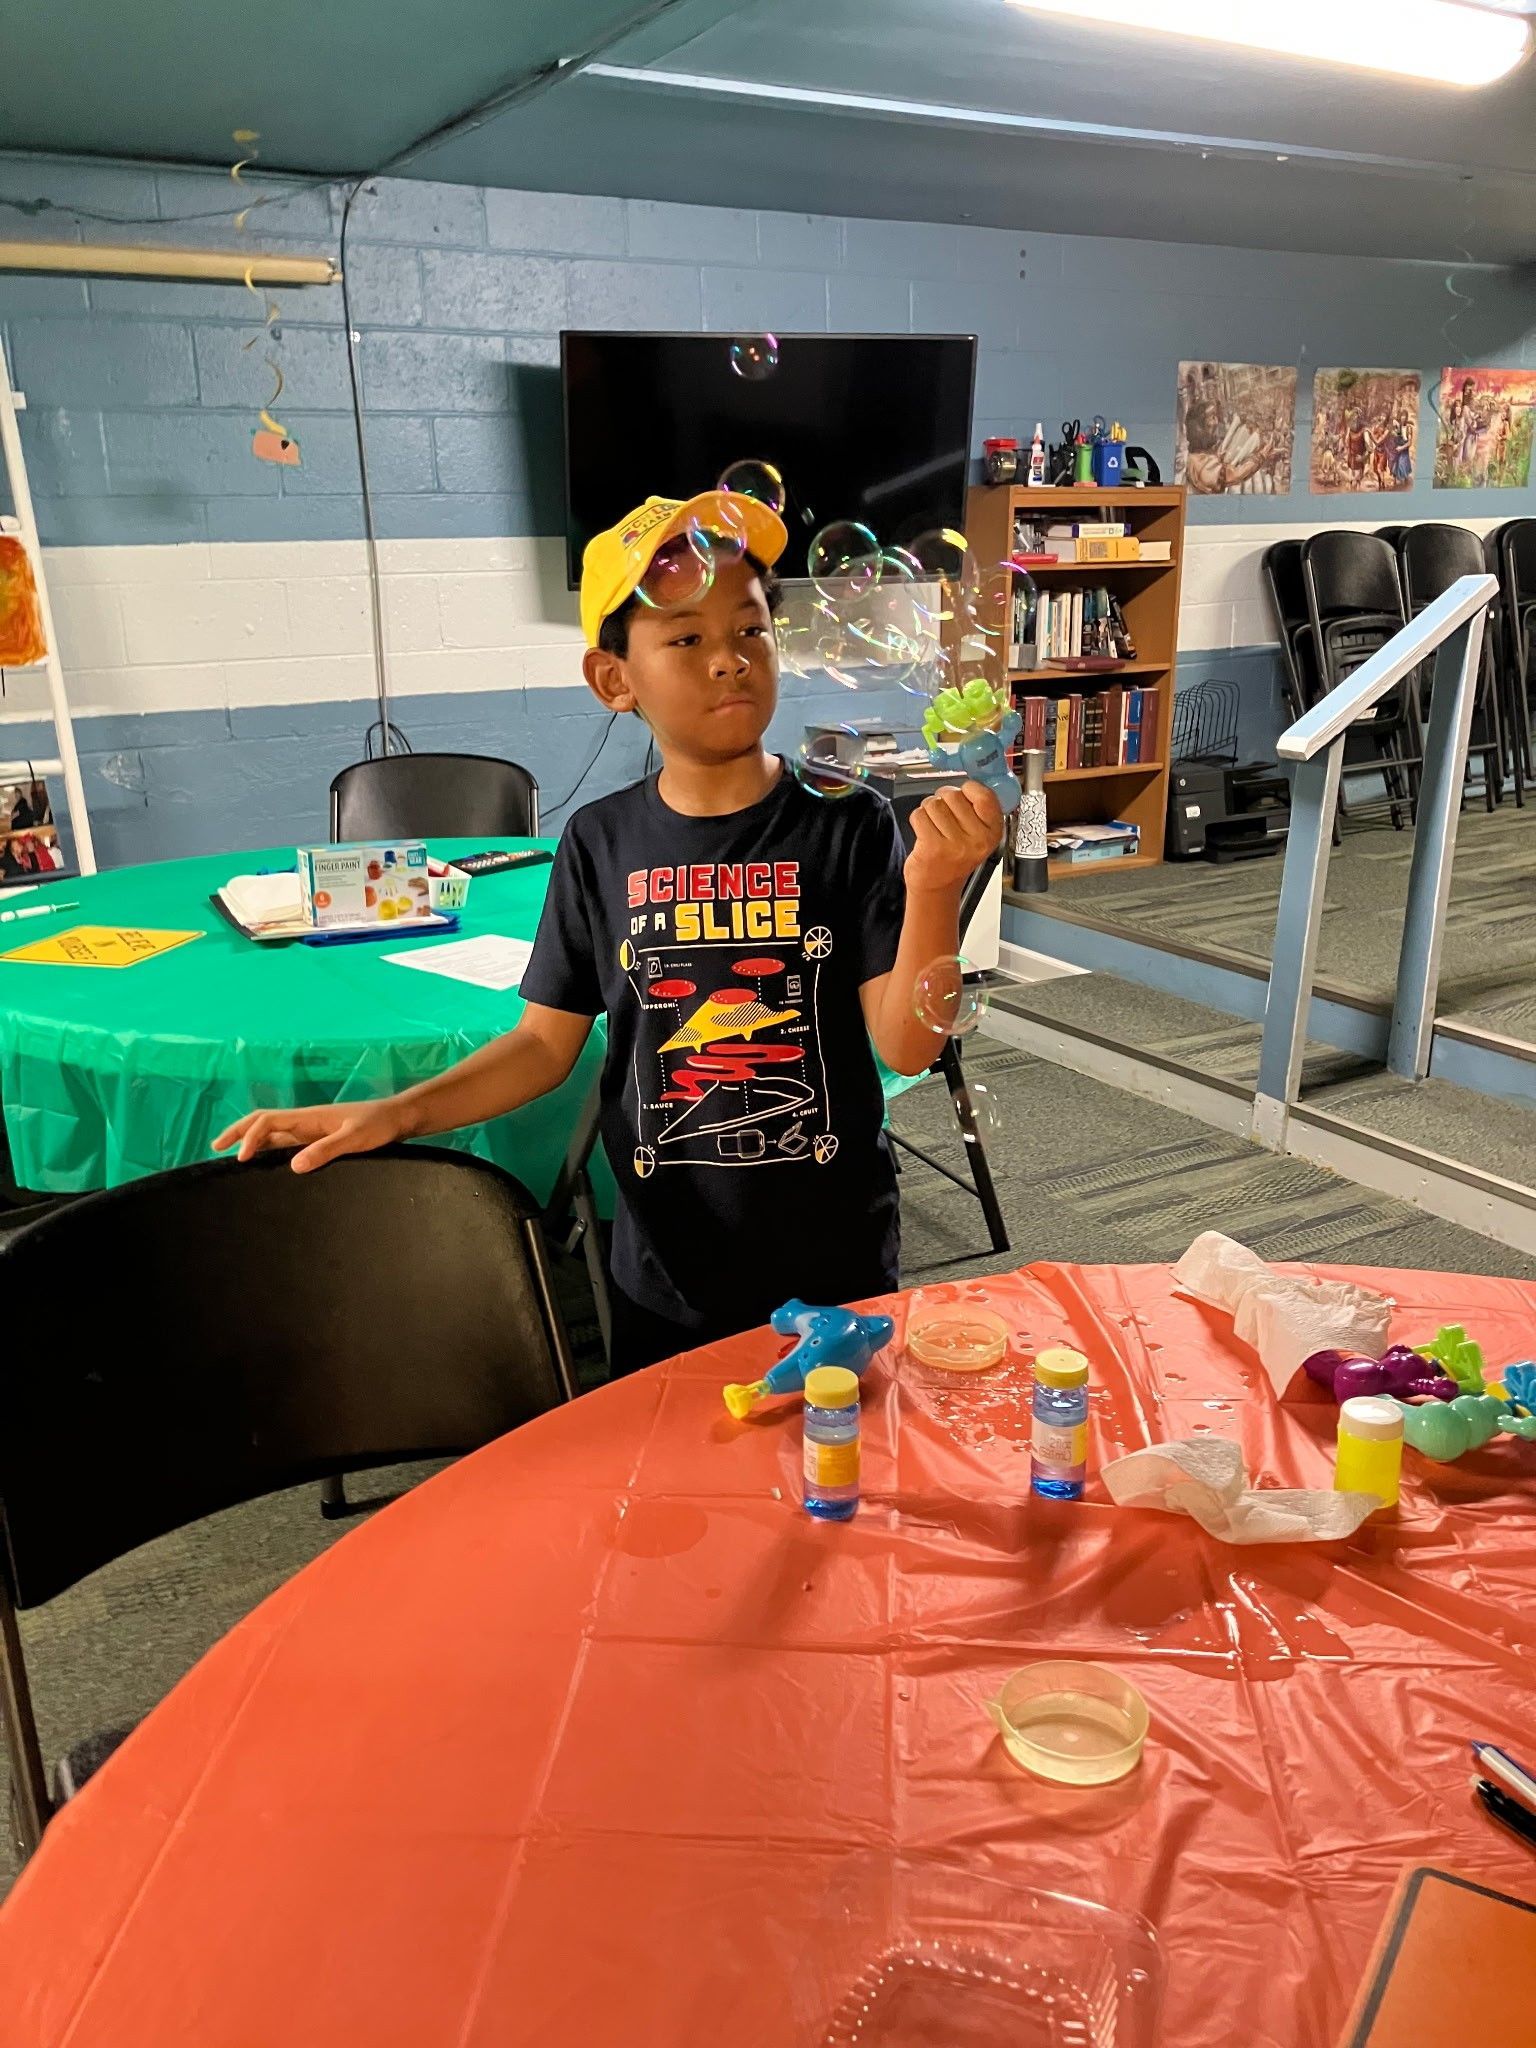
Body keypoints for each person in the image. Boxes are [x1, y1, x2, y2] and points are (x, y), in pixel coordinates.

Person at [214, 491, 1003, 1372]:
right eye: (686, 638)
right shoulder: (597, 840)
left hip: (835, 1262)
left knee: (834, 1482)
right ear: (614, 680)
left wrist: (933, 885)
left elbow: (905, 1045)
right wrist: (397, 1113)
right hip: (665, 1269)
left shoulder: (850, 824)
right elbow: (543, 1046)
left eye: (750, 631)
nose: (729, 662)